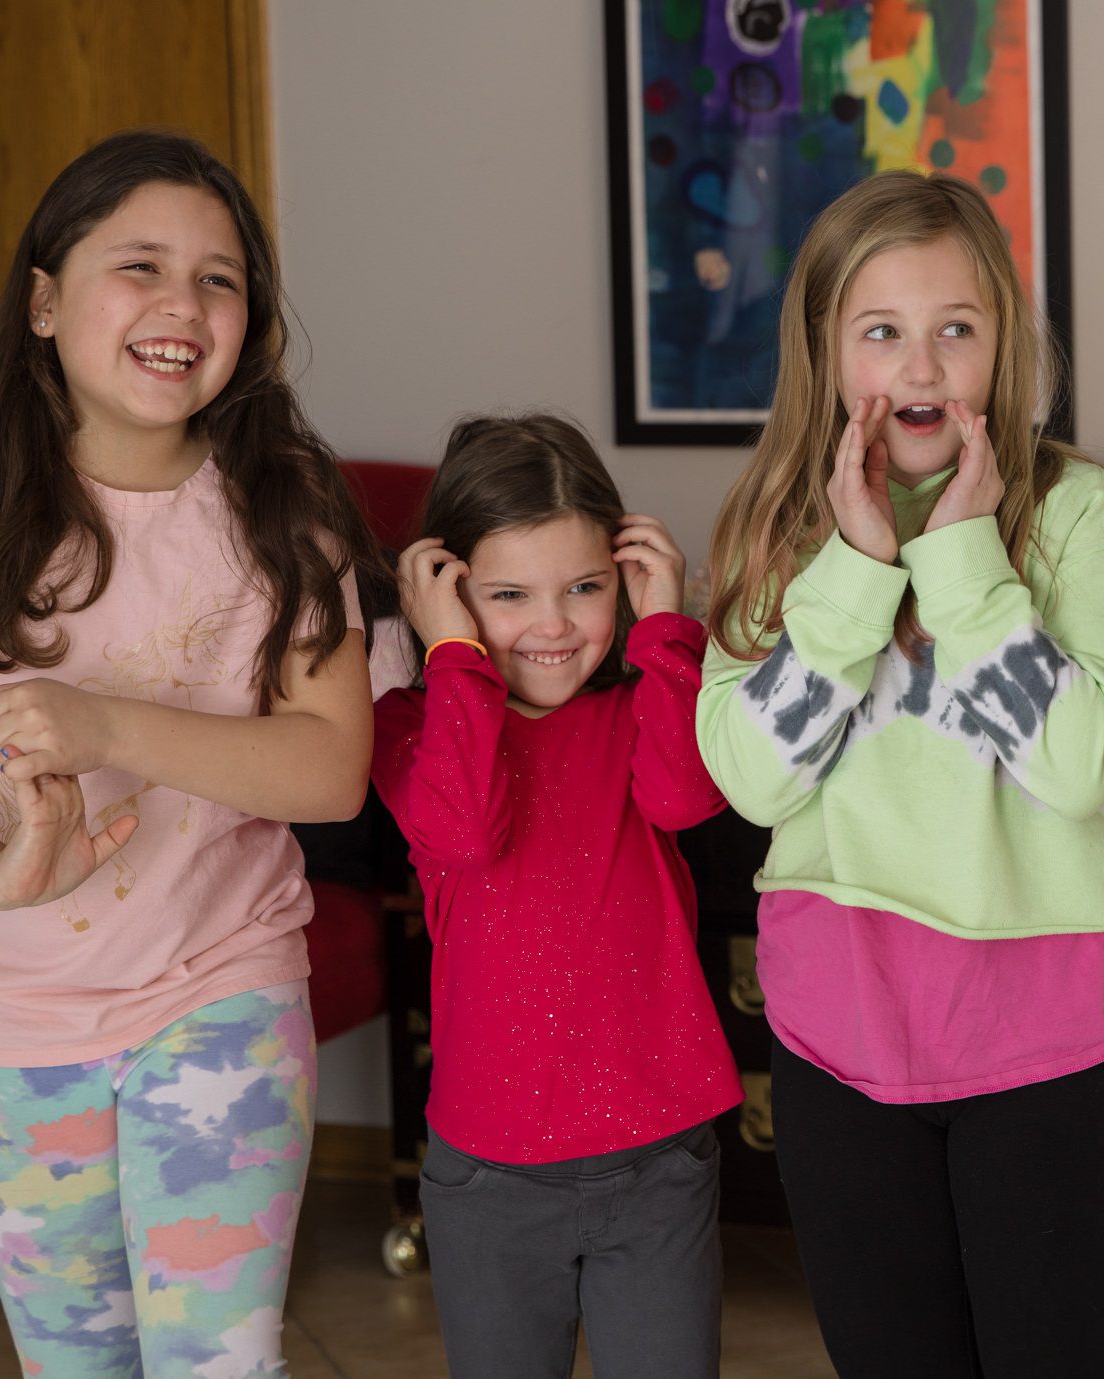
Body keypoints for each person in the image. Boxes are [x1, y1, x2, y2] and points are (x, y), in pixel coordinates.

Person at [0, 128, 386, 1378]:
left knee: (217, 1365)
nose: (184, 303)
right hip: (7, 1012)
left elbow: (329, 768)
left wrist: (107, 724)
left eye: (220, 278)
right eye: (142, 265)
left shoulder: (289, 508)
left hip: (218, 985)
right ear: (47, 302)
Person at [698, 169, 1104, 1377]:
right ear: (824, 349)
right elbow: (754, 778)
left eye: (954, 328)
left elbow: (1075, 767)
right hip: (839, 1042)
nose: (919, 368)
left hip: (1047, 1045)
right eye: (881, 332)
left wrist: (956, 553)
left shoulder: (1083, 518)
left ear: (1001, 345)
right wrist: (854, 570)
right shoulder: (772, 531)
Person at [371, 414, 741, 1379]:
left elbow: (686, 795)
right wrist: (450, 653)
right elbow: (459, 828)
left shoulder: (642, 703)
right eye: (507, 595)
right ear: (447, 595)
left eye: (585, 588)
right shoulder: (412, 722)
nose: (553, 624)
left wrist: (664, 628)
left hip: (658, 1155)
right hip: (489, 1173)